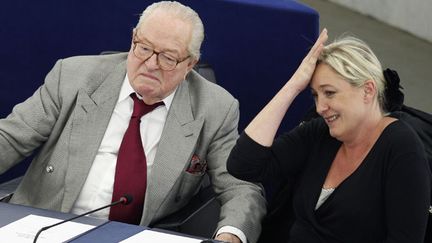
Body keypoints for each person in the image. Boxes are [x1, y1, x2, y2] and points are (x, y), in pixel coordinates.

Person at [0, 1, 266, 242]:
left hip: (136, 235)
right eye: (144, 48)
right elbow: (11, 137)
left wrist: (230, 236)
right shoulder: (73, 76)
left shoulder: (215, 108)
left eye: (168, 57)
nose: (151, 64)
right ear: (132, 40)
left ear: (190, 64)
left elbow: (239, 185)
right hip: (45, 227)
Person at [227, 29, 431, 242]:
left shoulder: (401, 148)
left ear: (368, 91)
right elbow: (243, 166)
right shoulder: (319, 133)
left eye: (329, 93)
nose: (320, 107)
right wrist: (293, 86)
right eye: (315, 95)